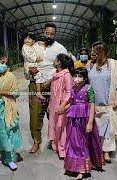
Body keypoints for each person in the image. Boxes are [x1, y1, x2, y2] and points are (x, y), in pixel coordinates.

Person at [26, 23, 67, 153]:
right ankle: (36, 141)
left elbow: (65, 68)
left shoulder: (60, 49)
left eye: (52, 34)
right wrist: (29, 71)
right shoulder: (35, 46)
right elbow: (27, 62)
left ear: (55, 34)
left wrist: (51, 80)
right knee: (35, 114)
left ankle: (54, 139)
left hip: (54, 85)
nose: (49, 36)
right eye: (47, 33)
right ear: (44, 32)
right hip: (35, 83)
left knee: (54, 114)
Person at [64, 67, 104, 180]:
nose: (77, 78)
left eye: (80, 76)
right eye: (75, 75)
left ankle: (82, 169)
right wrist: (62, 109)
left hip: (85, 120)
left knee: (82, 143)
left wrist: (90, 122)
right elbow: (71, 103)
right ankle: (74, 166)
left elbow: (92, 105)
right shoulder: (72, 89)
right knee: (73, 143)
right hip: (73, 120)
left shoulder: (88, 88)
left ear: (84, 78)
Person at [88, 41, 117, 163]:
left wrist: (116, 98)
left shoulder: (113, 65)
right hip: (93, 102)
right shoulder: (89, 65)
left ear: (102, 52)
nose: (92, 53)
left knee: (108, 127)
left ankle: (106, 151)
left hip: (108, 102)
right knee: (96, 128)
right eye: (92, 50)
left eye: (95, 51)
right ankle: (96, 149)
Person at [48, 53, 73, 159]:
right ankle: (56, 146)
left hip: (62, 105)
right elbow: (52, 91)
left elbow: (69, 92)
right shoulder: (55, 74)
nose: (54, 61)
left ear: (59, 62)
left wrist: (63, 106)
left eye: (55, 59)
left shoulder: (66, 75)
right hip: (54, 104)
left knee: (61, 126)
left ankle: (62, 149)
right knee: (53, 125)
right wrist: (50, 103)